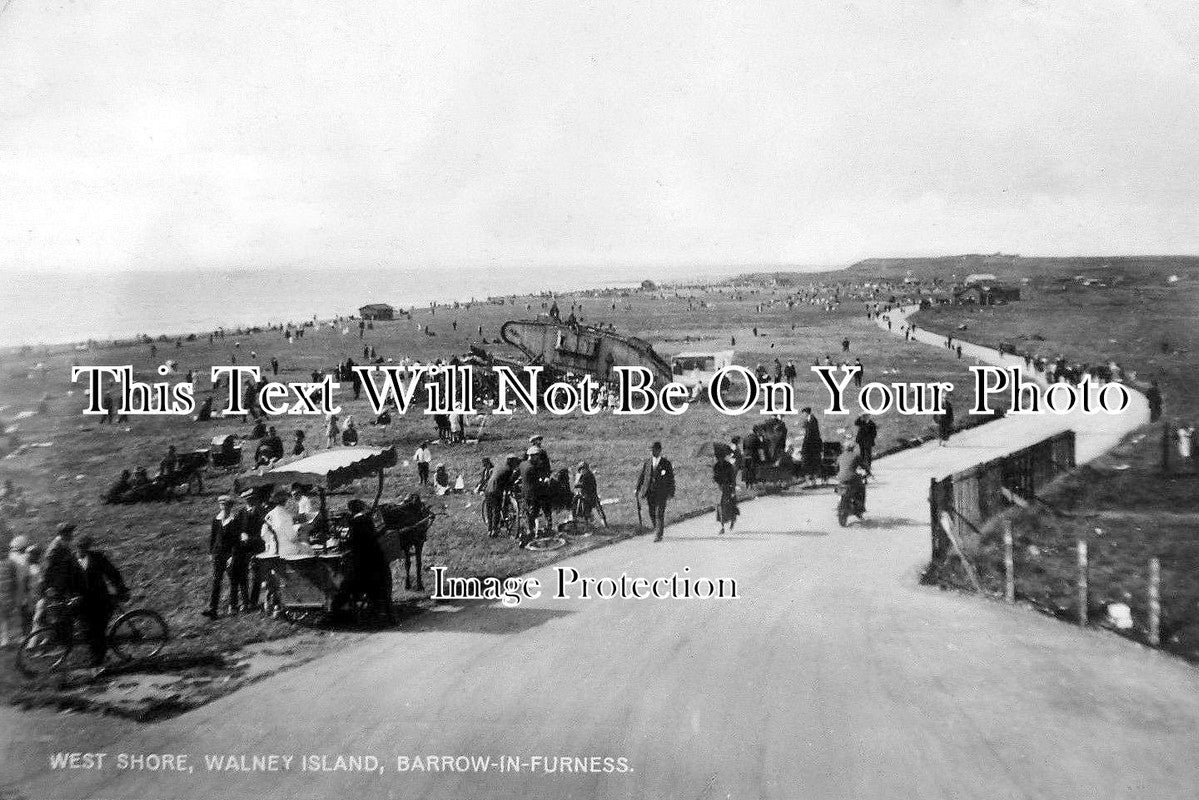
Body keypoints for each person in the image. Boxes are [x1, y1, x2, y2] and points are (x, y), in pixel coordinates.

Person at [73, 534, 129, 666]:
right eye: (80, 547)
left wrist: (120, 589)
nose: (82, 549)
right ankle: (98, 658)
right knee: (87, 631)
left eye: (85, 547)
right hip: (82, 602)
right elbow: (66, 581)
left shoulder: (98, 558)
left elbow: (112, 573)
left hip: (101, 600)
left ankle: (98, 661)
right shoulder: (70, 561)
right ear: (76, 547)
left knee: (98, 630)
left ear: (88, 547)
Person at [341, 499, 393, 622]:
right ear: (361, 508)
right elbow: (374, 535)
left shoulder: (352, 522)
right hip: (372, 557)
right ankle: (387, 612)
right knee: (383, 579)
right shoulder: (367, 520)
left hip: (359, 559)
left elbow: (350, 541)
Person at [205, 495, 246, 617]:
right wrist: (211, 552)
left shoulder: (234, 520)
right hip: (218, 554)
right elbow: (213, 537)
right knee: (216, 580)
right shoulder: (216, 519)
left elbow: (237, 540)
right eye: (222, 505)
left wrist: (233, 556)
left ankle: (233, 606)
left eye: (226, 505)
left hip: (230, 553)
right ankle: (213, 609)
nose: (224, 508)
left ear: (230, 506)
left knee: (233, 580)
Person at [635, 442, 675, 542]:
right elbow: (642, 476)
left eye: (654, 450)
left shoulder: (665, 463)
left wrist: (671, 492)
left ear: (659, 450)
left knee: (659, 513)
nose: (652, 452)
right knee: (651, 512)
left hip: (661, 492)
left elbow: (671, 478)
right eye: (651, 450)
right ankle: (656, 528)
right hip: (650, 491)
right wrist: (637, 488)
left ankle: (658, 534)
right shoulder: (647, 462)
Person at [262, 490, 310, 558]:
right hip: (287, 550)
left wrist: (272, 542)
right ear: (286, 501)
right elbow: (292, 538)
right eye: (289, 500)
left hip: (272, 550)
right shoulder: (285, 516)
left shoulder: (268, 515)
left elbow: (263, 534)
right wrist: (300, 532)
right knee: (307, 548)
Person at [483, 454, 520, 537]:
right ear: (511, 462)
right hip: (496, 491)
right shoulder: (509, 469)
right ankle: (495, 530)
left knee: (489, 511)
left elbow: (491, 472)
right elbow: (509, 483)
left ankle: (490, 530)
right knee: (496, 511)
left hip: (488, 489)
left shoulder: (499, 466)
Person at [713, 447, 739, 534]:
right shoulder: (716, 466)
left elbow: (733, 478)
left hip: (728, 487)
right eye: (718, 457)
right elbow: (715, 478)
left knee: (730, 505)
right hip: (720, 488)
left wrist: (733, 489)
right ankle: (722, 526)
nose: (719, 458)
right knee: (720, 506)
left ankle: (732, 521)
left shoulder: (728, 465)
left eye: (720, 457)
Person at [573, 461, 606, 527]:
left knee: (598, 508)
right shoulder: (579, 476)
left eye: (584, 469)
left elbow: (588, 487)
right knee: (578, 505)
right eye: (581, 469)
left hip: (591, 496)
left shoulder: (590, 476)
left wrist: (580, 485)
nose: (582, 471)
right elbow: (576, 485)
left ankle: (603, 522)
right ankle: (579, 520)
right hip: (583, 496)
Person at [800, 408, 823, 486]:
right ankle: (812, 482)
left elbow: (809, 434)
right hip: (812, 446)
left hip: (811, 446)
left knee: (808, 464)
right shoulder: (811, 420)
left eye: (803, 414)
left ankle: (810, 482)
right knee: (811, 464)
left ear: (806, 413)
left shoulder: (812, 420)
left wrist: (804, 447)